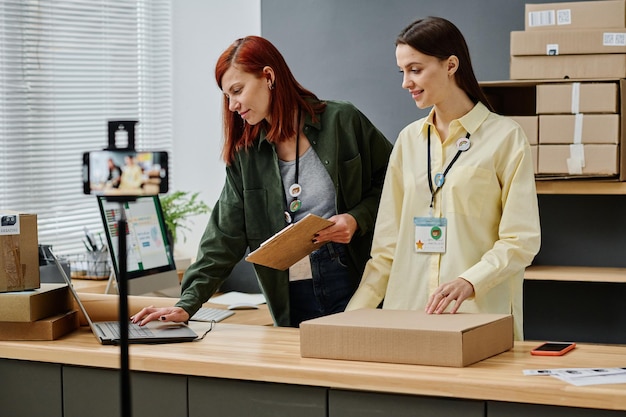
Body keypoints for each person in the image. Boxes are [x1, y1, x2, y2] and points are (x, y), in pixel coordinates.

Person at [132, 35, 393, 327]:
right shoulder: (246, 155)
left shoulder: (343, 121)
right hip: (292, 291)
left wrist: (358, 219)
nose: (232, 105)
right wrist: (187, 303)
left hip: (355, 280)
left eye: (237, 90)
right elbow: (224, 235)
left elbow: (396, 184)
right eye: (227, 96)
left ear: (268, 76)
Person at [345, 17, 541, 339]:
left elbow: (521, 239)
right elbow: (385, 250)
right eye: (402, 71)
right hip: (406, 317)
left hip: (476, 318)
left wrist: (470, 281)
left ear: (451, 65)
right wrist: (352, 316)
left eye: (415, 69)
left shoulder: (506, 137)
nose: (405, 82)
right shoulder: (408, 141)